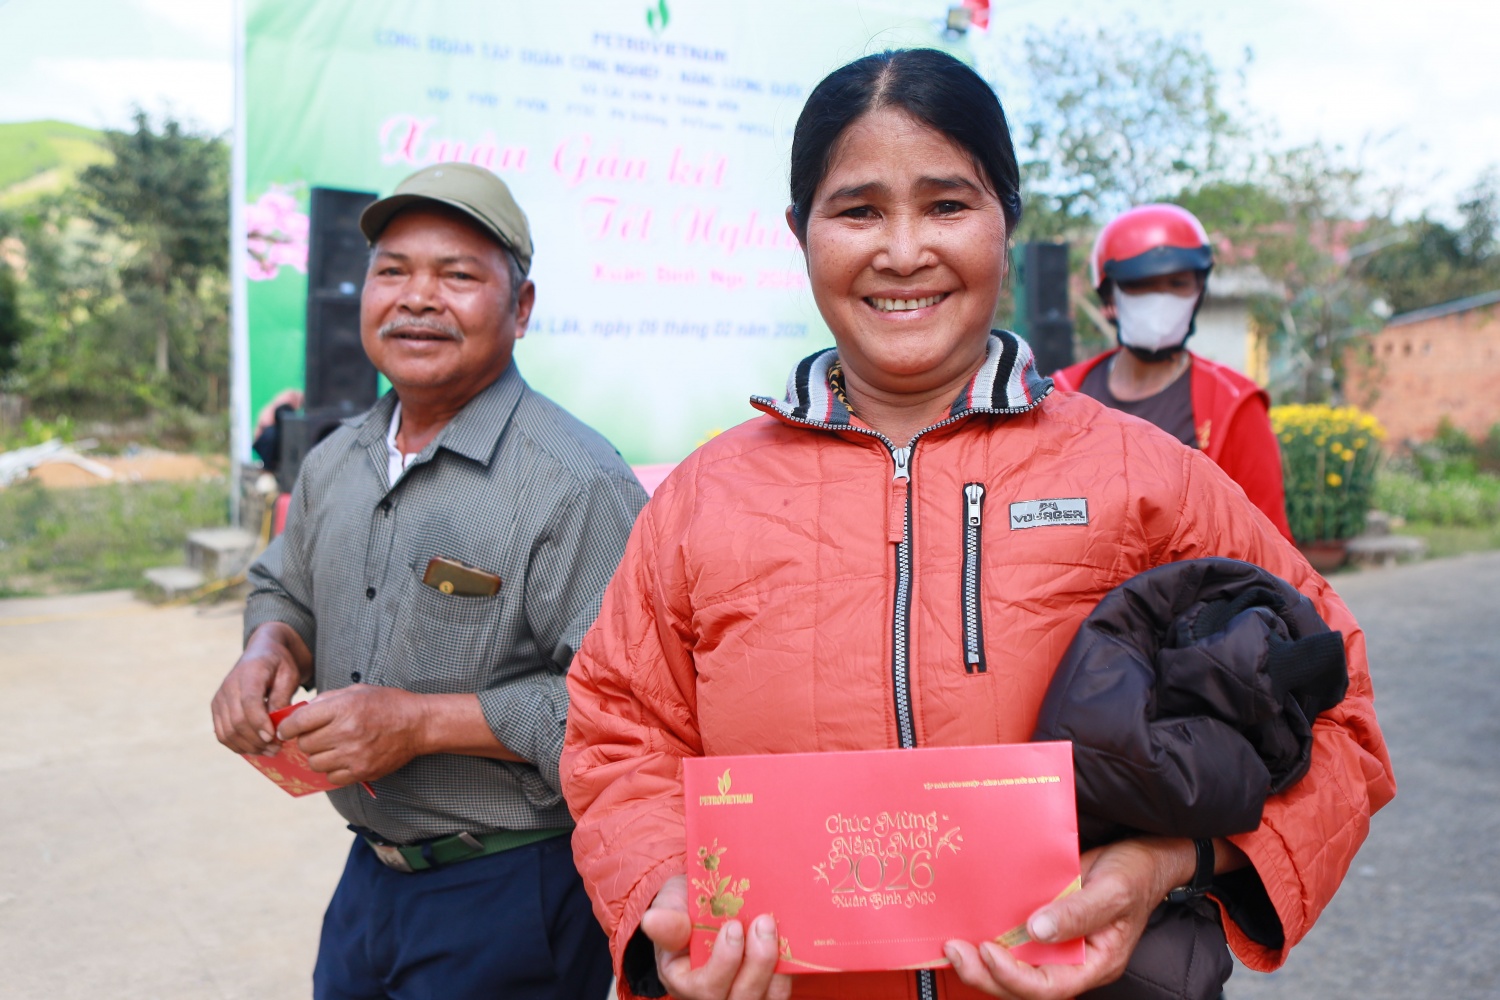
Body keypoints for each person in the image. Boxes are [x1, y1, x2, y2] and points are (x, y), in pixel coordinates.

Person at [560, 49, 1393, 1000]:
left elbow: (1341, 708)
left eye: (948, 205)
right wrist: (664, 892)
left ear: (1007, 220)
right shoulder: (703, 500)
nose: (903, 250)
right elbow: (617, 734)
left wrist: (1171, 863)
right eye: (858, 209)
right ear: (800, 232)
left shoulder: (1148, 479)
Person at [211, 162, 646, 1000]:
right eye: (394, 271)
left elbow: (622, 710)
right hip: (369, 878)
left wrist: (420, 724)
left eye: (457, 276)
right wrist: (269, 644)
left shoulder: (575, 483)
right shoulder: (336, 458)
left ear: (520, 309)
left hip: (516, 889)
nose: (417, 298)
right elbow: (283, 585)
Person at [1052, 205, 1295, 541]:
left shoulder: (1233, 404)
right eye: (1142, 284)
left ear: (1198, 291)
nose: (1161, 299)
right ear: (1110, 294)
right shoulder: (1062, 393)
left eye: (1177, 283)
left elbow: (1269, 545)